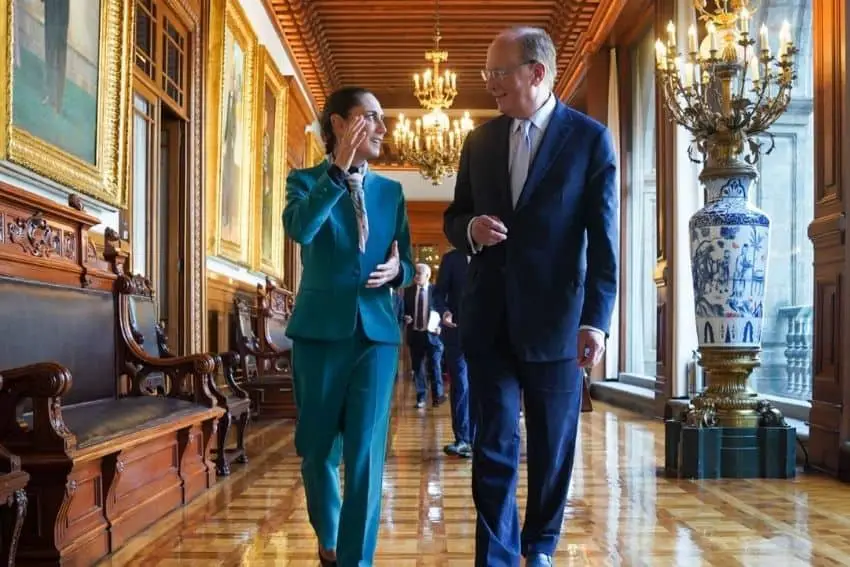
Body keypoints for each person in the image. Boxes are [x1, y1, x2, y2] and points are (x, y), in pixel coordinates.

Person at [443, 27, 618, 567]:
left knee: (552, 447)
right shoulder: (480, 141)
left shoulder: (589, 139)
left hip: (558, 324)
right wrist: (470, 228)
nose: (489, 84)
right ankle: (495, 555)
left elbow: (605, 237)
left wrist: (597, 320)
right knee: (492, 444)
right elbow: (454, 217)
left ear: (536, 73)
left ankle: (538, 546)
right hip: (489, 320)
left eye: (498, 73)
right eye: (487, 73)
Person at [283, 86, 415, 567]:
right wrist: (336, 172)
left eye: (383, 119)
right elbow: (302, 228)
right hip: (319, 334)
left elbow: (409, 261)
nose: (382, 128)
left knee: (364, 457)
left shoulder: (392, 192)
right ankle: (329, 537)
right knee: (317, 451)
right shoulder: (303, 181)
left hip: (376, 337)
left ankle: (355, 561)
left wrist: (399, 272)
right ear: (339, 124)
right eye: (371, 117)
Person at [433, 247, 473, 458]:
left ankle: (481, 438)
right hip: (456, 331)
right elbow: (438, 293)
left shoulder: (497, 251)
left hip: (491, 333)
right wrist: (444, 311)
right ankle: (463, 439)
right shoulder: (452, 259)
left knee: (485, 386)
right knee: (461, 384)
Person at [403, 264, 447, 409]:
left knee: (435, 366)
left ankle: (437, 396)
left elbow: (443, 310)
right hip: (415, 334)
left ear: (427, 275)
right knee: (418, 368)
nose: (416, 276)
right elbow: (404, 310)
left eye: (419, 273)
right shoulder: (408, 291)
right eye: (415, 273)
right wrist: (406, 317)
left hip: (433, 335)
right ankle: (421, 397)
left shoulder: (436, 291)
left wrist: (440, 326)